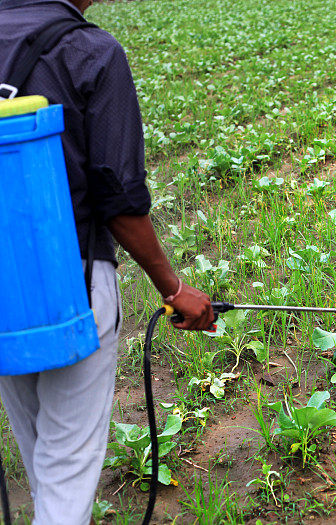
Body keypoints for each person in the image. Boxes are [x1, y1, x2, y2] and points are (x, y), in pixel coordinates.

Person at [0, 0, 214, 522]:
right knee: (67, 468)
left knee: (42, 456)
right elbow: (118, 200)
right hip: (68, 282)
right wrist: (172, 287)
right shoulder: (90, 51)